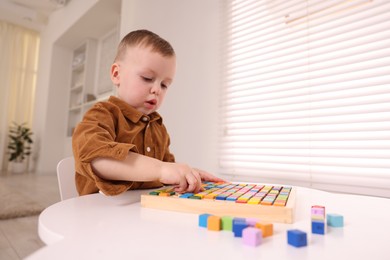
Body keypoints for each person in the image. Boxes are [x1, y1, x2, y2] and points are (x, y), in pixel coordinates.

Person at [72, 29, 224, 196]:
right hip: (99, 214)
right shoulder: (101, 114)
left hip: (141, 211)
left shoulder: (158, 127)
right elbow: (95, 157)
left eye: (164, 85)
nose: (157, 90)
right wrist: (161, 169)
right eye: (147, 78)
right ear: (116, 74)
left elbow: (166, 170)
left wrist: (185, 174)